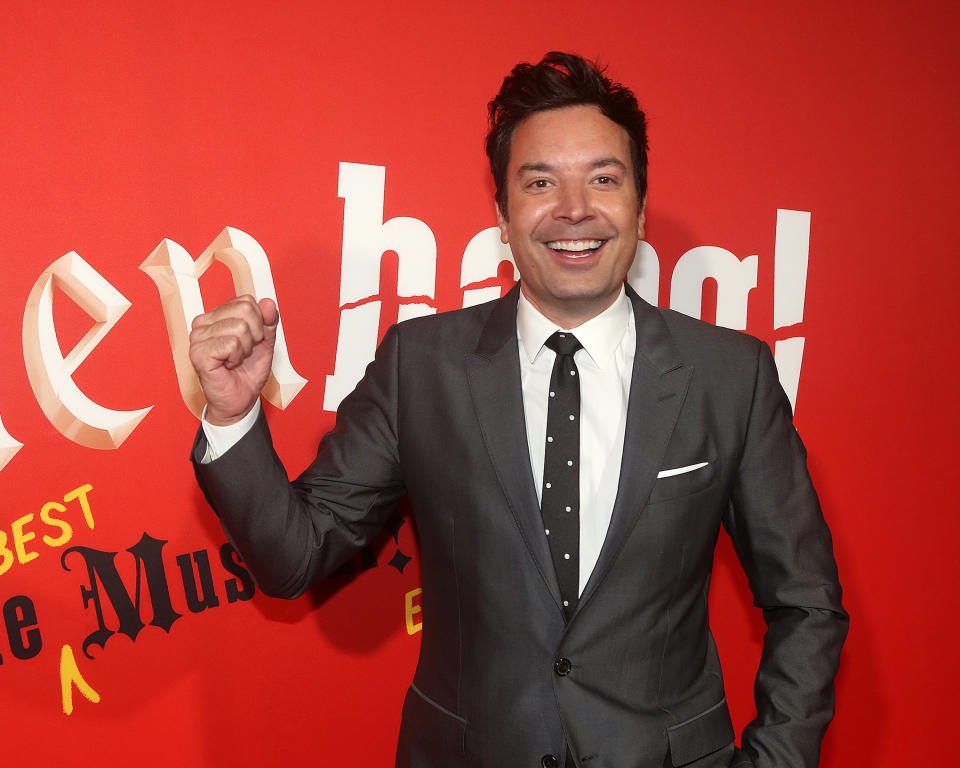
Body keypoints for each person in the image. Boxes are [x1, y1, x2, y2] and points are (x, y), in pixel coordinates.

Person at [189, 52, 847, 768]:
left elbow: (807, 604)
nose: (575, 209)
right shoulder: (422, 367)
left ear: (640, 207)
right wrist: (231, 414)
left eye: (604, 178)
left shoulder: (730, 375)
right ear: (502, 215)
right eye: (541, 182)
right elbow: (295, 556)